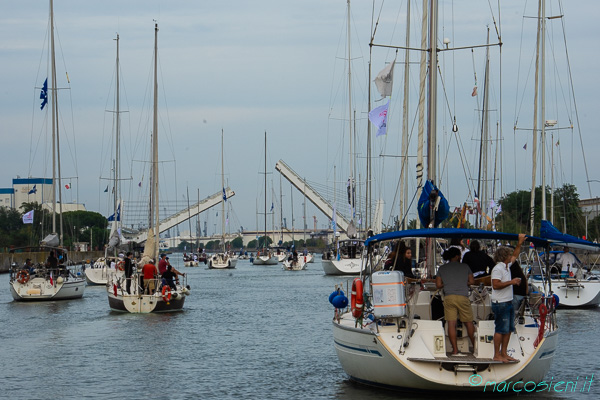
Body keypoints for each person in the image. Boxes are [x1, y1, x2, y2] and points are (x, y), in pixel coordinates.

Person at [491, 233, 526, 363]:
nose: (511, 256)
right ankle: (496, 354)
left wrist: (519, 242)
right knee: (500, 329)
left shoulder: (507, 266)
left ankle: (504, 353)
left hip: (508, 302)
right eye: (509, 255)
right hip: (501, 303)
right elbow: (495, 285)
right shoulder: (498, 268)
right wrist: (511, 282)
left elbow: (516, 255)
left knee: (509, 329)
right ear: (504, 257)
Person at [436, 247, 475, 355]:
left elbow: (438, 285)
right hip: (463, 297)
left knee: (451, 324)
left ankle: (455, 350)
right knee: (469, 323)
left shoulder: (442, 268)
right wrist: (462, 283)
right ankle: (475, 348)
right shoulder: (465, 266)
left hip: (449, 297)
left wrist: (448, 284)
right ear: (457, 256)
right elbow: (471, 281)